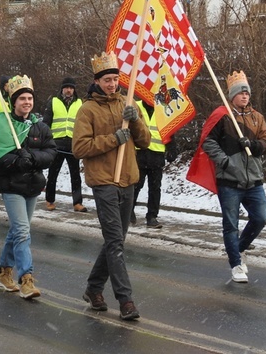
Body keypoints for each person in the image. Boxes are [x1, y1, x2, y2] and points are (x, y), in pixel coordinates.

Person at [72, 51, 150, 321]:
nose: (112, 84)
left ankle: (94, 289)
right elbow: (80, 147)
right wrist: (112, 139)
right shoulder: (87, 110)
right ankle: (125, 300)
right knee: (115, 242)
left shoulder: (128, 104)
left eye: (115, 79)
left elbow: (146, 142)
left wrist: (136, 119)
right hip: (104, 181)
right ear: (97, 81)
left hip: (127, 179)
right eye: (107, 80)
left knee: (116, 241)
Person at [197, 70, 266, 283]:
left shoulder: (257, 118)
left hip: (254, 180)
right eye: (240, 93)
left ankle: (238, 249)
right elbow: (208, 141)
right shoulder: (222, 116)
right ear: (232, 96)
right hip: (229, 181)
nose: (245, 96)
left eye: (247, 93)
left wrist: (254, 145)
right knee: (231, 224)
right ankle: (236, 264)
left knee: (260, 218)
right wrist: (225, 161)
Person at [0, 75, 56, 299]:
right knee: (22, 231)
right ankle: (26, 279)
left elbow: (51, 153)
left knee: (17, 231)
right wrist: (15, 161)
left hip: (32, 186)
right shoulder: (5, 126)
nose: (27, 102)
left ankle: (3, 271)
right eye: (22, 99)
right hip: (11, 186)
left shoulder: (40, 127)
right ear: (14, 101)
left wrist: (32, 157)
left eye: (29, 98)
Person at [130, 100, 178, 228]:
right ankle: (129, 212)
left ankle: (152, 216)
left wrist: (172, 148)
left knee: (155, 188)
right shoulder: (136, 105)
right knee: (135, 185)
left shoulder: (164, 108)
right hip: (139, 152)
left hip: (157, 155)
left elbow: (170, 130)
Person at [43, 77, 86, 212]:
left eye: (71, 88)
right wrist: (46, 141)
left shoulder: (80, 103)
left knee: (75, 175)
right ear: (62, 88)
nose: (69, 90)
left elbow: (84, 124)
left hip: (73, 144)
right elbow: (46, 123)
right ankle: (50, 200)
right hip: (56, 144)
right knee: (53, 174)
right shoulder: (53, 102)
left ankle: (77, 203)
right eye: (67, 87)